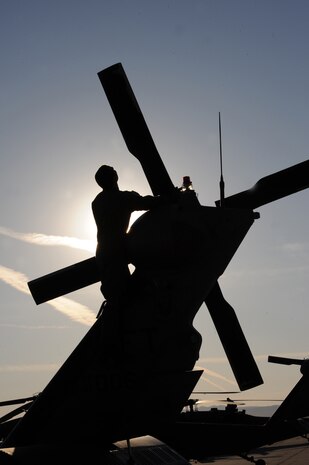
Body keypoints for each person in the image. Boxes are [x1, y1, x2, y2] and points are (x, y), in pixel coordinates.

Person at [92, 165, 164, 309]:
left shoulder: (97, 202)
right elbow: (147, 203)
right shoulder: (122, 199)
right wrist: (168, 198)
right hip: (116, 254)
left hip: (103, 253)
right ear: (115, 177)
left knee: (116, 295)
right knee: (120, 300)